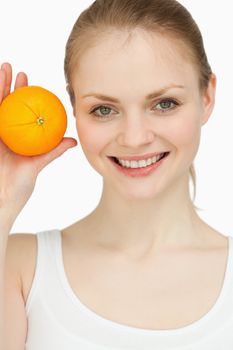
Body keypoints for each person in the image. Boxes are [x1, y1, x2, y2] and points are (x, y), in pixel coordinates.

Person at [1, 0, 233, 348]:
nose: (135, 137)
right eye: (104, 109)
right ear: (75, 111)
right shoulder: (18, 266)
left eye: (164, 103)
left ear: (207, 96)